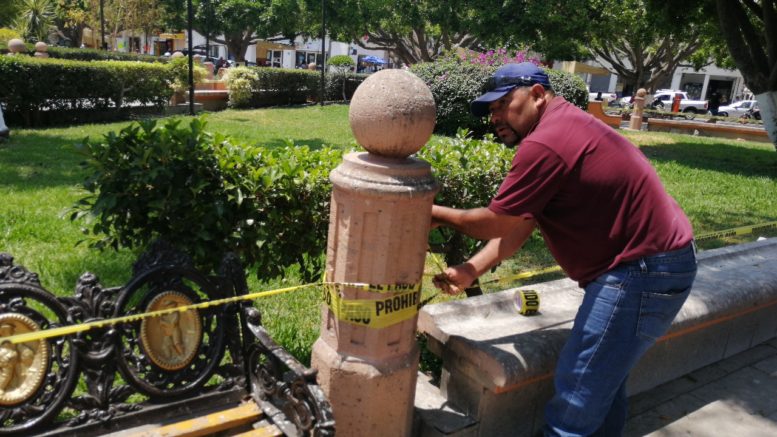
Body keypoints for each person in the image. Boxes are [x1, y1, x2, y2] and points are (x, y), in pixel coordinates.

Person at [431, 62, 697, 437]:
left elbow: (496, 222)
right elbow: (519, 225)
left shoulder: (546, 142)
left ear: (538, 95)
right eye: (491, 110)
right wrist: (472, 269)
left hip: (641, 269)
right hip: (654, 261)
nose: (495, 117)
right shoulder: (563, 125)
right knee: (601, 386)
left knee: (577, 397)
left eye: (503, 104)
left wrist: (433, 213)